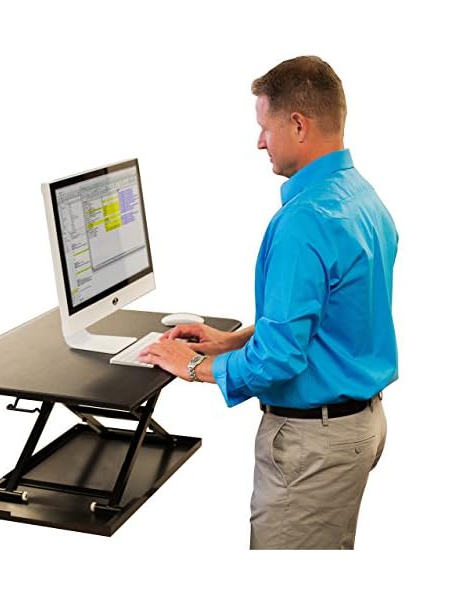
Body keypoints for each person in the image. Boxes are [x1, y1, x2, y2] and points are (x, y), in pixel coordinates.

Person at [139, 56, 398, 550]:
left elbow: (279, 357)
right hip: (358, 427)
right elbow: (330, 318)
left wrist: (192, 365)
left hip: (313, 445)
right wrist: (231, 340)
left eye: (265, 127)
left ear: (298, 125)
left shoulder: (305, 220)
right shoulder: (361, 197)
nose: (260, 142)